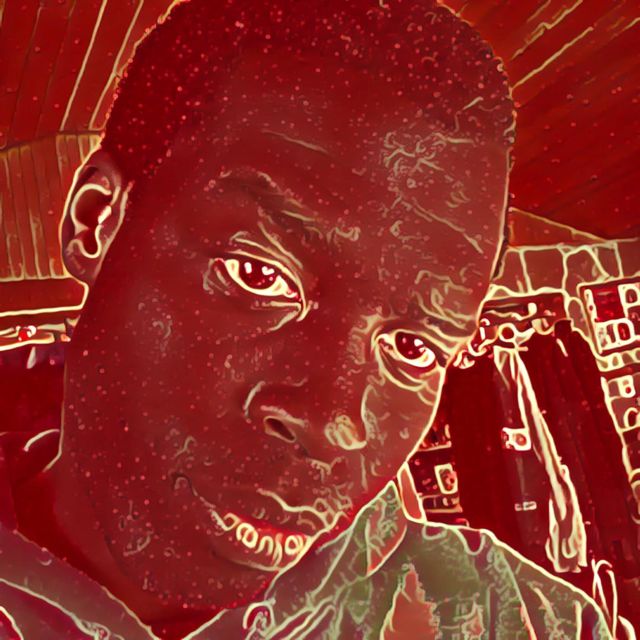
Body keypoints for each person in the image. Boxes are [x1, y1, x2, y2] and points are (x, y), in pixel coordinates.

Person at [0, 0, 615, 638]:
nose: (335, 424)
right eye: (257, 274)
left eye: (413, 348)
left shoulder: (517, 622)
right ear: (99, 222)